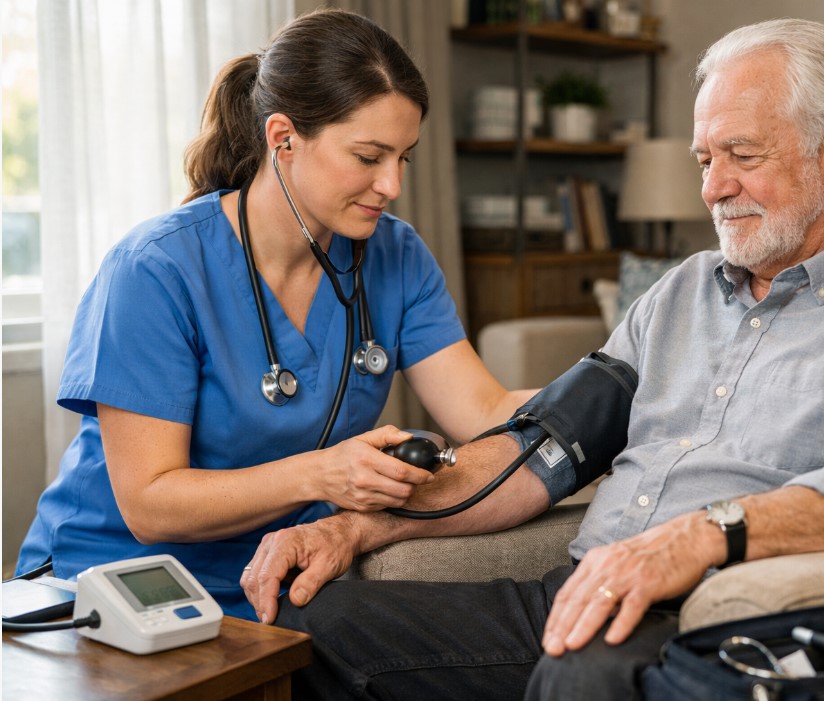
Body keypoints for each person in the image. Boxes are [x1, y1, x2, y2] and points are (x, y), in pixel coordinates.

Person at [241, 18, 824, 699]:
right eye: (703, 160)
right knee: (306, 622)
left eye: (740, 154)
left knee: (585, 671)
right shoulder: (681, 295)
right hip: (586, 591)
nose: (713, 188)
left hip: (729, 621)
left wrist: (701, 536)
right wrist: (361, 526)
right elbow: (538, 449)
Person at [16, 8, 535, 620]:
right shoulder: (155, 269)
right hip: (119, 585)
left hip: (282, 575)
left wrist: (623, 385)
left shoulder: (396, 255)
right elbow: (149, 502)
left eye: (404, 158)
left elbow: (484, 412)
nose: (392, 185)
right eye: (369, 157)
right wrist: (322, 476)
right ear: (283, 138)